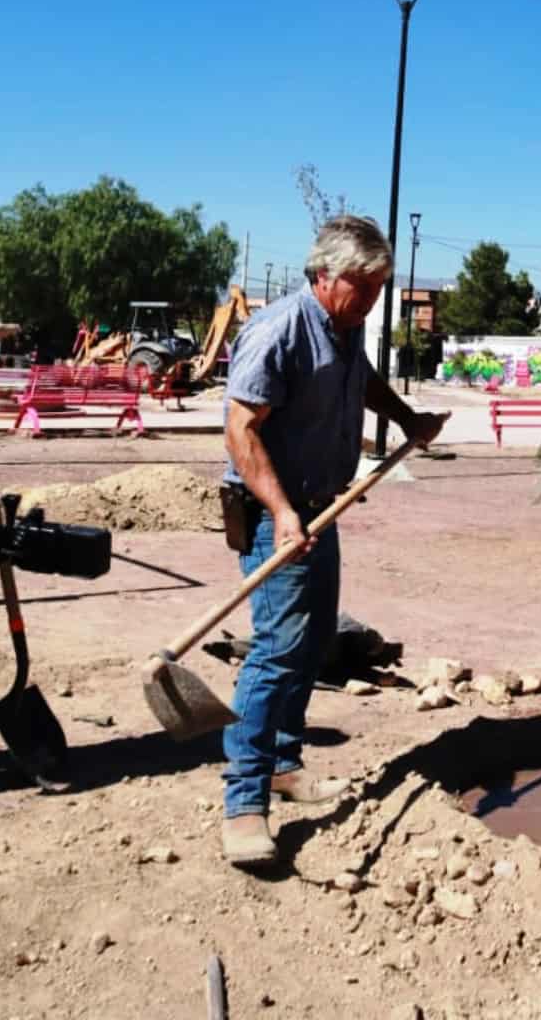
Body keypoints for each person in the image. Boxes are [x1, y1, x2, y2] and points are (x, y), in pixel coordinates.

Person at [220, 214, 449, 867]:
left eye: (380, 288)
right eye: (363, 287)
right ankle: (243, 805)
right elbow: (241, 430)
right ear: (324, 275)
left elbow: (365, 381)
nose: (373, 300)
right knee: (274, 650)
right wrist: (283, 513)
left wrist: (409, 419)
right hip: (275, 514)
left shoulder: (345, 332)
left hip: (322, 508)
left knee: (313, 641)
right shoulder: (281, 329)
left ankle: (285, 765)